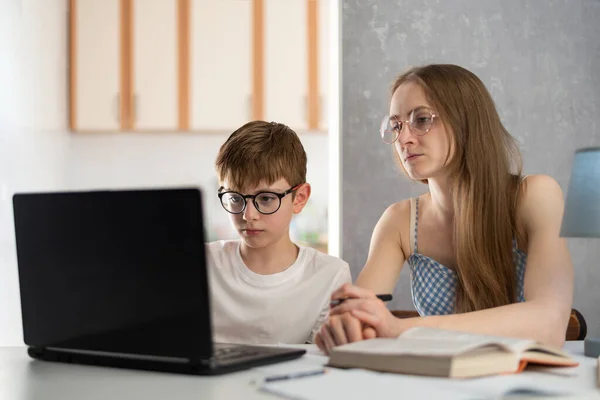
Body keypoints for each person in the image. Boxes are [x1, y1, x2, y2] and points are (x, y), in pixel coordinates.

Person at [315, 64, 574, 353]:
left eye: (421, 119)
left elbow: (550, 325)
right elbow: (359, 319)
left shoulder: (535, 195)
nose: (403, 139)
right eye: (396, 125)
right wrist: (344, 327)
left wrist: (399, 329)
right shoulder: (399, 221)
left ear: (466, 121)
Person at [207, 120, 351, 345]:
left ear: (299, 198)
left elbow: (321, 364)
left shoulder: (330, 277)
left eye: (265, 198)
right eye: (235, 198)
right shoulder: (201, 264)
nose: (248, 215)